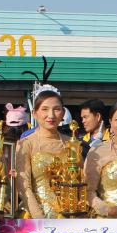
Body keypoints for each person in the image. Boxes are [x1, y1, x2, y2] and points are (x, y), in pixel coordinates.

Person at [15, 68, 71, 219]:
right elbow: (24, 186)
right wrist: (39, 218)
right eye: (45, 109)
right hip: (35, 217)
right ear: (35, 113)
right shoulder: (26, 144)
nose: (51, 115)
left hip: (68, 218)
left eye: (56, 109)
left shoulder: (72, 143)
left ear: (63, 113)